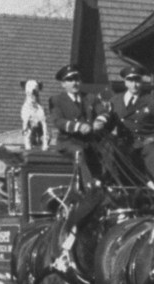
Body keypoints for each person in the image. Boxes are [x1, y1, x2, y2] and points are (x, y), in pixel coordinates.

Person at [46, 63, 111, 271]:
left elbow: (103, 111)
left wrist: (100, 120)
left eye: (77, 79)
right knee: (79, 152)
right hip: (69, 143)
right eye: (70, 80)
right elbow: (58, 122)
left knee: (111, 150)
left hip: (92, 141)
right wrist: (78, 126)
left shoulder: (90, 98)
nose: (75, 83)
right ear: (64, 83)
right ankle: (89, 186)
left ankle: (110, 184)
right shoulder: (57, 100)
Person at [109, 64, 154, 192]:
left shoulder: (151, 101)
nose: (134, 85)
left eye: (137, 81)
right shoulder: (115, 101)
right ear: (125, 82)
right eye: (130, 81)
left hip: (147, 145)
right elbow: (108, 125)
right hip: (124, 146)